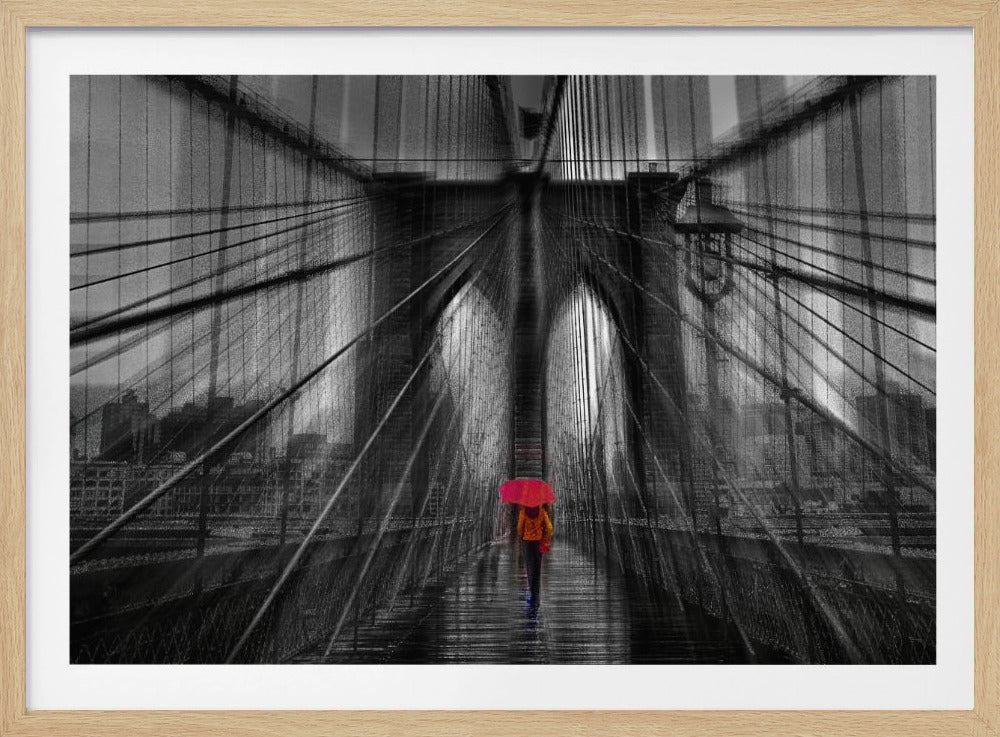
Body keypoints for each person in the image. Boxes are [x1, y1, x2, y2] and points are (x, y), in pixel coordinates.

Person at [517, 504, 553, 610]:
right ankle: (536, 597)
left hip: (527, 542)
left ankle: (532, 594)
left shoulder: (523, 512)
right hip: (538, 542)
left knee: (529, 568)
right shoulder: (542, 512)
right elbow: (550, 528)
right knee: (537, 569)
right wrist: (546, 539)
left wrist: (522, 536)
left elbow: (519, 528)